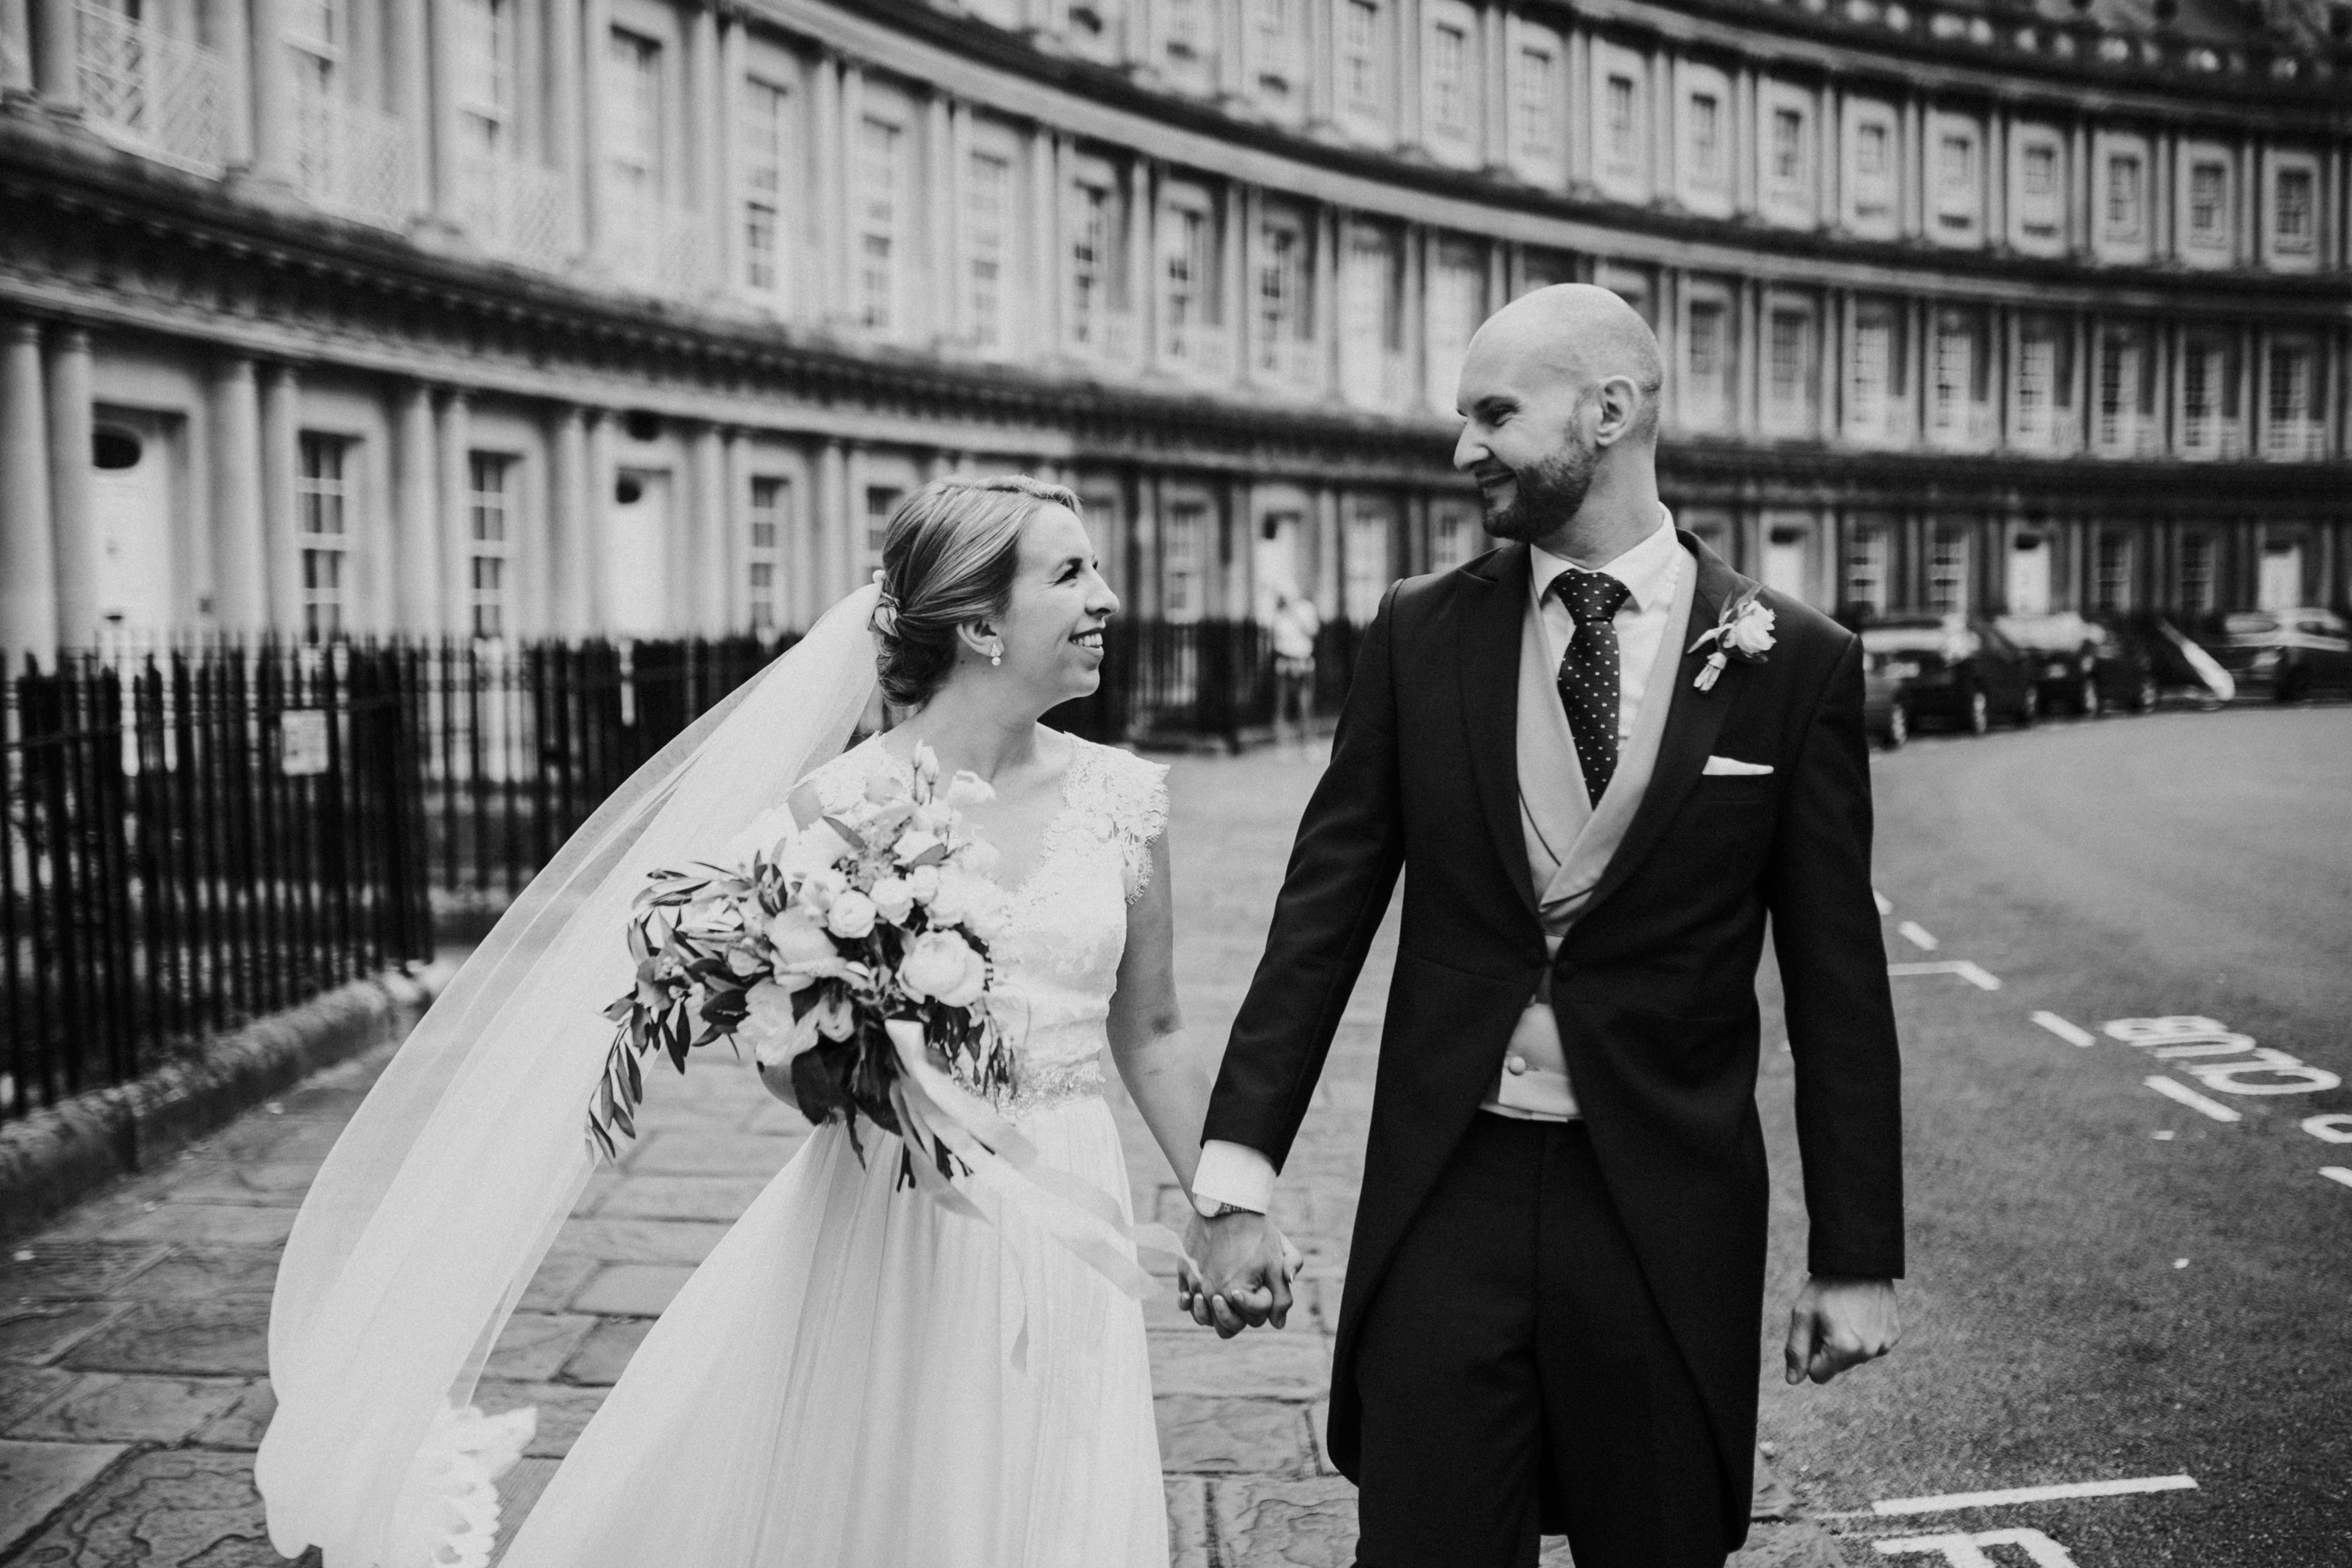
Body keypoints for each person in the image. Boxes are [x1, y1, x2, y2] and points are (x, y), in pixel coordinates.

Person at [259, 475, 1292, 1567]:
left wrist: (1226, 1205)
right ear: (981, 621)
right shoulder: (833, 809)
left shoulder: (1124, 798)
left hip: (1073, 1202)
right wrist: (858, 1057)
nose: (1108, 598)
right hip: (896, 1209)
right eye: (1073, 573)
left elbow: (1157, 1027)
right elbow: (783, 1053)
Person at [1181, 285, 1905, 1568]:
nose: (1464, 449)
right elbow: (1319, 911)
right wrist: (1234, 1178)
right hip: (1446, 1188)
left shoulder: (1792, 661)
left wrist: (1854, 1256)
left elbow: (1839, 982)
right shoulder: (1419, 629)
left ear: (1611, 411)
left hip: (1662, 1207)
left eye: (1495, 414)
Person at [1267, 580, 1323, 757]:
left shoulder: (1306, 609)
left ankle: (1309, 744)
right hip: (1285, 661)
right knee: (1282, 705)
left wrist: (1295, 614)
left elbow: (1313, 631)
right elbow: (1276, 639)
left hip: (1304, 660)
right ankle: (1283, 745)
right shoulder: (1278, 614)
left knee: (1305, 704)